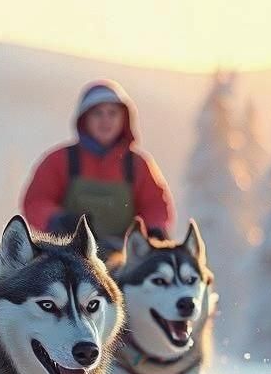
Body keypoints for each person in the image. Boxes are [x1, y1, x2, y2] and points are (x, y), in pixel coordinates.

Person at [21, 80, 174, 252]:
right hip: (70, 254)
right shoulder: (59, 159)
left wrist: (153, 229)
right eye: (97, 113)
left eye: (112, 113)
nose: (105, 120)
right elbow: (36, 201)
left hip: (122, 258)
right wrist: (57, 220)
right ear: (84, 118)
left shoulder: (139, 165)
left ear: (124, 118)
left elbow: (156, 205)